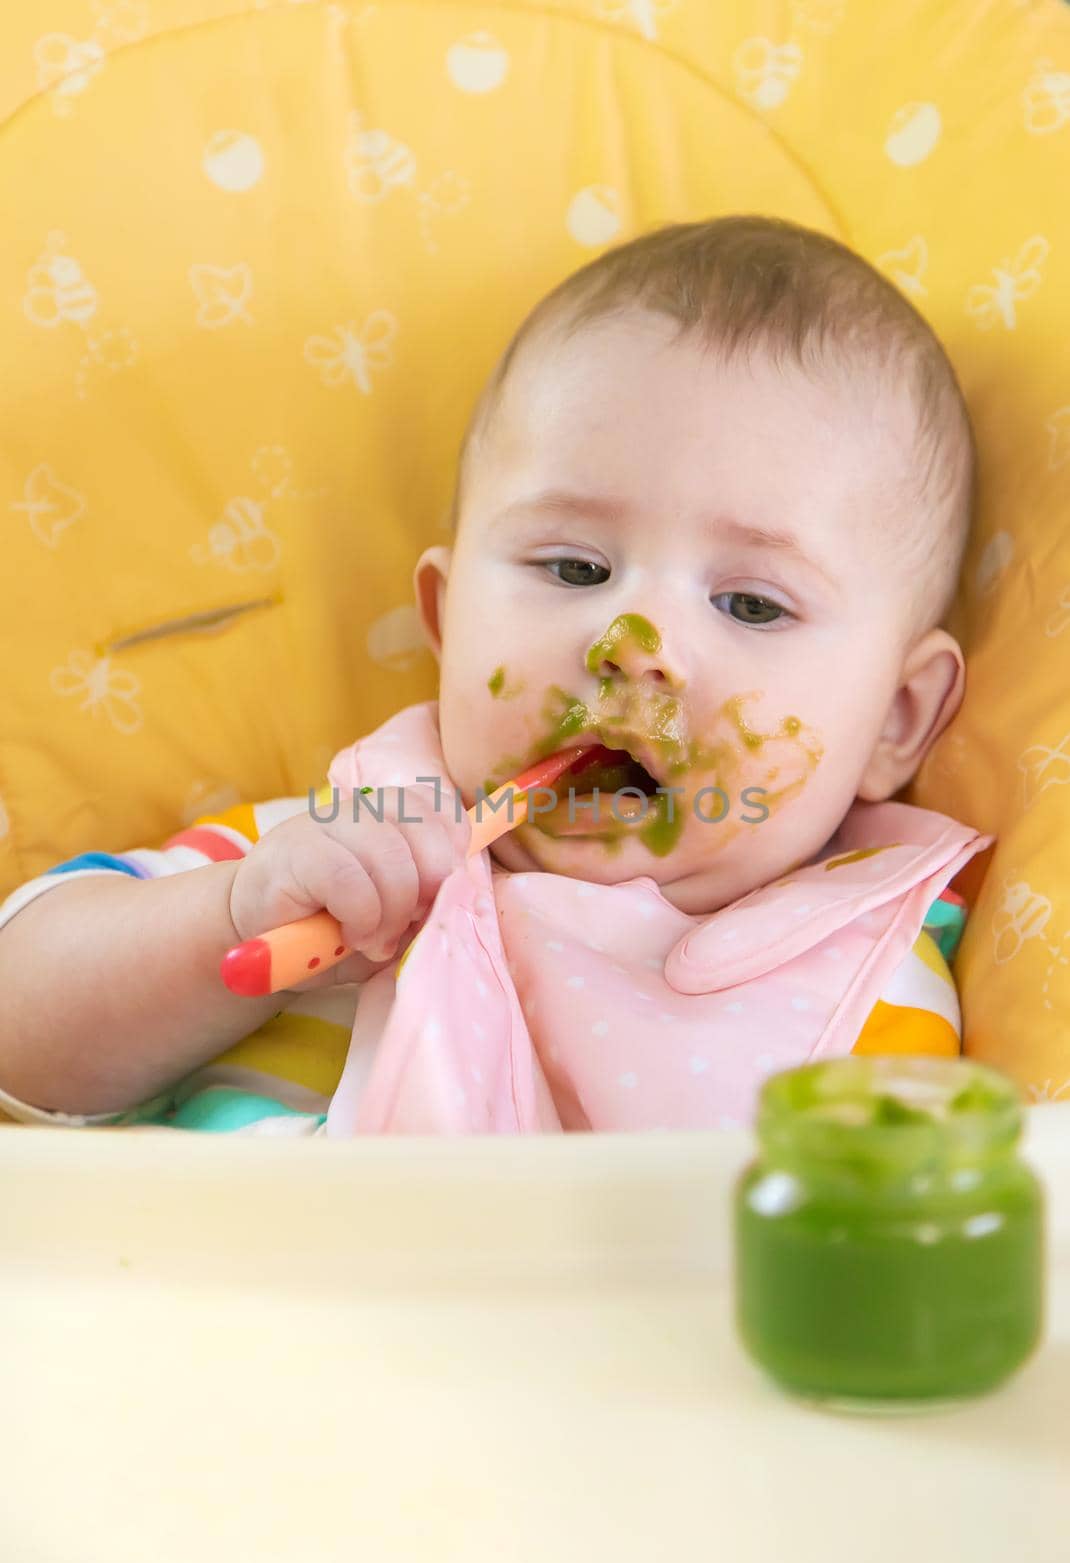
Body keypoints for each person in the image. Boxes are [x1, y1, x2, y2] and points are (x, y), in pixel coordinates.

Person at [0, 215, 991, 1135]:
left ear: (896, 720)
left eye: (749, 604)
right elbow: (16, 1027)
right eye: (574, 568)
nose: (631, 641)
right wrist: (227, 919)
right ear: (445, 622)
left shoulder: (869, 984)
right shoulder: (340, 841)